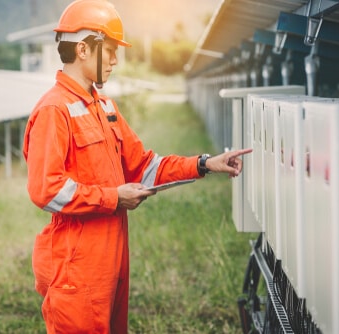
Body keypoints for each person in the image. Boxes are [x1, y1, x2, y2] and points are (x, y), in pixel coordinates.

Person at [22, 0, 252, 333]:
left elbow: (145, 167)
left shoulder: (104, 108)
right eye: (110, 50)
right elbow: (47, 190)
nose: (116, 59)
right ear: (83, 49)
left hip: (111, 263)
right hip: (77, 268)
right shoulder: (53, 110)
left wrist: (204, 164)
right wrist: (113, 197)